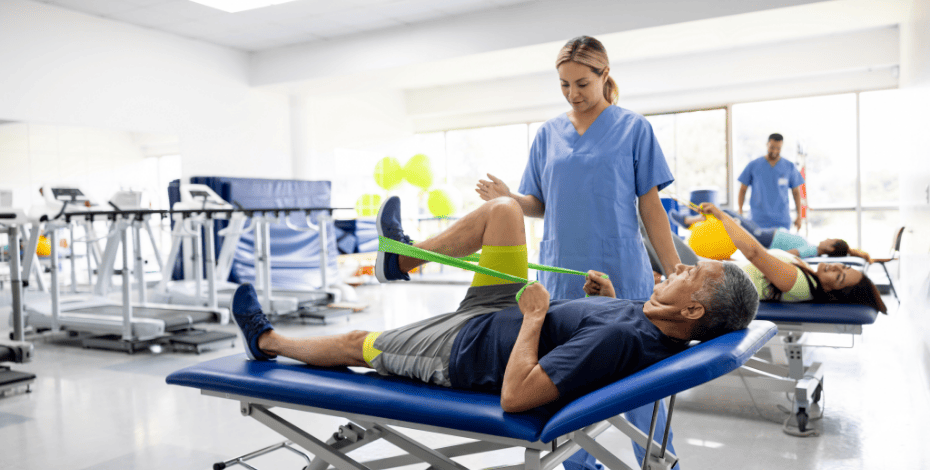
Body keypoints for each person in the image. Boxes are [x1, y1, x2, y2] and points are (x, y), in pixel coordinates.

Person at [233, 196, 759, 418]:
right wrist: (601, 301)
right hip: (498, 312)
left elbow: (517, 397)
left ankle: (266, 342)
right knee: (504, 210)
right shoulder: (642, 315)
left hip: (467, 349)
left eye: (693, 275)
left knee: (357, 344)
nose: (681, 267)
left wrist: (533, 317)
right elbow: (580, 328)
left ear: (692, 313)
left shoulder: (625, 339)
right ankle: (401, 261)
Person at [474, 36, 682, 469]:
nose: (573, 93)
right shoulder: (547, 134)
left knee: (640, 382)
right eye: (565, 85)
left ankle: (662, 463)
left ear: (605, 75)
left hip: (621, 271)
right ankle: (579, 466)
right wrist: (508, 198)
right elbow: (539, 203)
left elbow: (650, 206)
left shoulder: (634, 128)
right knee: (567, 381)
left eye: (582, 83)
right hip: (563, 275)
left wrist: (675, 268)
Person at [696, 202, 886, 313]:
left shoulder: (800, 283)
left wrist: (722, 216)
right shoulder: (808, 272)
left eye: (839, 277)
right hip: (711, 270)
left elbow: (754, 253)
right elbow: (753, 267)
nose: (836, 268)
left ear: (831, 292)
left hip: (706, 283)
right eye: (844, 267)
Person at [672, 209, 872, 262]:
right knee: (729, 217)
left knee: (728, 216)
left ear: (830, 247)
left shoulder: (812, 250)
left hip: (763, 237)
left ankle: (688, 221)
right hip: (764, 235)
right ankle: (689, 220)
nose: (826, 238)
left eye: (830, 240)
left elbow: (790, 254)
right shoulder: (813, 248)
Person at [737, 133, 805, 231]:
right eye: (772, 147)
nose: (774, 151)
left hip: (781, 221)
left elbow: (796, 192)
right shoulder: (754, 165)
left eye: (778, 148)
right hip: (757, 220)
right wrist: (740, 211)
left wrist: (799, 216)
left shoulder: (789, 167)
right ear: (767, 144)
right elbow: (743, 189)